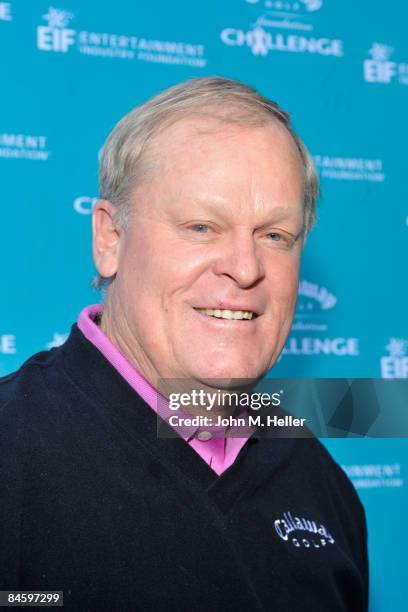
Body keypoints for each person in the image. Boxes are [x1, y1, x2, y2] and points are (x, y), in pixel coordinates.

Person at [0, 77, 368, 611]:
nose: (245, 268)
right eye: (201, 226)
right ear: (109, 239)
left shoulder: (320, 480)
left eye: (274, 236)